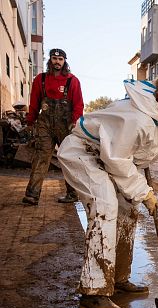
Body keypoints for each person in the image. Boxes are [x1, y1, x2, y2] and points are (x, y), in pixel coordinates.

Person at [57, 73, 158, 308]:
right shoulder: (138, 118)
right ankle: (94, 293)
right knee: (105, 206)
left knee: (127, 210)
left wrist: (139, 185)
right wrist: (144, 192)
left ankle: (118, 278)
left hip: (109, 157)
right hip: (83, 153)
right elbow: (118, 160)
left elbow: (138, 152)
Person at [23, 48, 84, 205]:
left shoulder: (72, 81)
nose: (57, 62)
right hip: (45, 125)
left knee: (67, 159)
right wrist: (30, 122)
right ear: (50, 60)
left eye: (60, 59)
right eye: (54, 59)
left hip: (66, 126)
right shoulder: (40, 80)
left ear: (65, 62)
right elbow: (34, 102)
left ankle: (72, 194)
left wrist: (74, 122)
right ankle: (32, 195)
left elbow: (78, 105)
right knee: (41, 158)